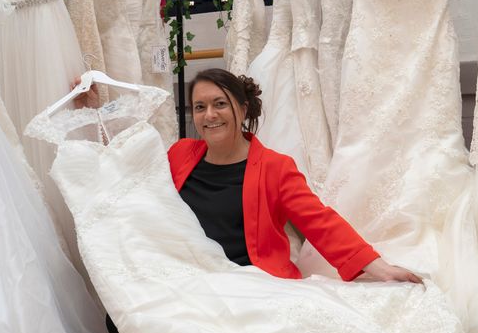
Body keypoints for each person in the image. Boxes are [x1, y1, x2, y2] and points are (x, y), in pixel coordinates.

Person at [74, 69, 421, 284]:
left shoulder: (275, 167)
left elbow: (321, 223)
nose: (209, 115)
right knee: (119, 322)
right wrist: (93, 113)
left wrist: (379, 267)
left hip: (250, 279)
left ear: (242, 108)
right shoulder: (179, 154)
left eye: (220, 104)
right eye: (199, 107)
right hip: (192, 275)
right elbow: (129, 178)